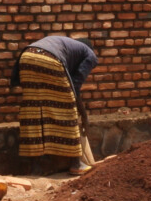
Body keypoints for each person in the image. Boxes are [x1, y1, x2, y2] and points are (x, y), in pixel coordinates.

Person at [10, 34, 98, 174]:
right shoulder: (90, 55)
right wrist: (84, 116)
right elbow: (75, 87)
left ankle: (35, 168)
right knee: (67, 109)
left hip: (26, 57)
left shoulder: (66, 47)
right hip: (48, 59)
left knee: (34, 109)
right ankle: (76, 164)